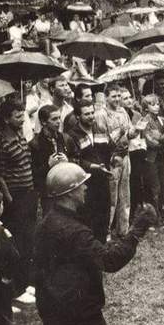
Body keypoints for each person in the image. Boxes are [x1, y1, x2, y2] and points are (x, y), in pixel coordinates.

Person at [34, 162, 156, 325]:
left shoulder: (46, 224)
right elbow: (109, 260)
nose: (86, 189)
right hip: (81, 315)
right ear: (69, 193)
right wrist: (137, 229)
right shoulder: (74, 232)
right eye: (82, 185)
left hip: (53, 313)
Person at [0, 99, 37, 306]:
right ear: (6, 119)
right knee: (18, 241)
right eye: (17, 115)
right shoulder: (2, 142)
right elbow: (0, 175)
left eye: (23, 114)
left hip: (28, 193)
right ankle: (18, 288)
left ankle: (27, 282)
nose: (22, 118)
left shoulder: (21, 136)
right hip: (15, 197)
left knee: (29, 239)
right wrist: (9, 199)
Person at [67, 101, 112, 243]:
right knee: (89, 217)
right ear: (78, 116)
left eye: (92, 112)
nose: (91, 116)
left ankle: (102, 247)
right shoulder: (72, 135)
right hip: (86, 184)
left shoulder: (99, 129)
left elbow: (111, 148)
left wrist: (115, 158)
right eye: (87, 114)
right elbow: (74, 160)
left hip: (103, 180)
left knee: (104, 215)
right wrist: (93, 166)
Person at [96, 83, 133, 236]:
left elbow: (129, 132)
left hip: (125, 156)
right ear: (106, 97)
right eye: (114, 96)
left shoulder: (123, 110)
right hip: (111, 159)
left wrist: (134, 131)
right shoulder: (101, 115)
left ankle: (123, 230)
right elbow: (102, 142)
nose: (117, 99)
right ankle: (107, 231)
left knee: (125, 195)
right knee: (112, 198)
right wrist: (121, 132)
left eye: (119, 96)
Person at [29, 105, 72, 206]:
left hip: (65, 188)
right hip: (47, 193)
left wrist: (68, 161)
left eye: (59, 118)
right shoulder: (35, 144)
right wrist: (48, 165)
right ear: (44, 122)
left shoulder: (64, 138)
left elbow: (77, 159)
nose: (58, 122)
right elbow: (33, 174)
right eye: (54, 119)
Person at [141, 94, 164, 220]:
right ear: (146, 107)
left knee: (163, 184)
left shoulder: (162, 120)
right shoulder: (144, 121)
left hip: (162, 156)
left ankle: (161, 210)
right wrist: (162, 138)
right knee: (154, 187)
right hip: (151, 158)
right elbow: (150, 141)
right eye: (152, 104)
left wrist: (159, 137)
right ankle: (154, 215)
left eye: (157, 104)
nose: (156, 107)